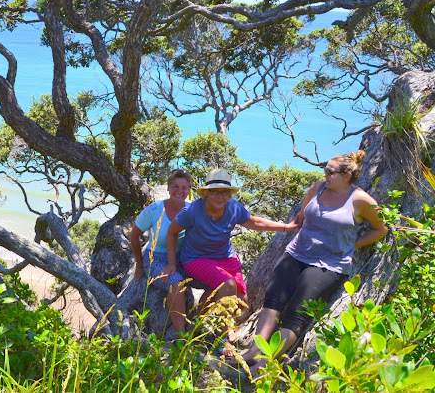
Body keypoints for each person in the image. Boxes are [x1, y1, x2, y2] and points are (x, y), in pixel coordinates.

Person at [239, 150, 388, 374]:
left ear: (346, 176)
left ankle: (265, 362)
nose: (325, 174)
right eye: (325, 170)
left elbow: (381, 229)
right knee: (273, 300)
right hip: (296, 254)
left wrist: (352, 245)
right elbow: (301, 217)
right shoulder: (316, 189)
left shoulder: (360, 200)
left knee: (297, 313)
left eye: (330, 172)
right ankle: (253, 352)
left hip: (328, 265)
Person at [164, 169, 296, 333]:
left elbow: (254, 222)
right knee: (228, 285)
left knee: (241, 302)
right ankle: (222, 336)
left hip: (225, 257)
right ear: (207, 193)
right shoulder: (193, 211)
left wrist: (285, 227)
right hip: (196, 258)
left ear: (229, 194)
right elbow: (172, 232)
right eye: (215, 192)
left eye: (224, 192)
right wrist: (171, 264)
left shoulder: (233, 208)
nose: (220, 196)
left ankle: (197, 321)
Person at [130, 168, 192, 333]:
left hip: (183, 259)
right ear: (168, 188)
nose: (179, 191)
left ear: (189, 190)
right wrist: (139, 265)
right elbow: (134, 235)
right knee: (176, 283)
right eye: (175, 186)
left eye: (184, 187)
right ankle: (181, 336)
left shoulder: (192, 210)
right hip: (156, 259)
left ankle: (201, 326)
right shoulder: (154, 210)